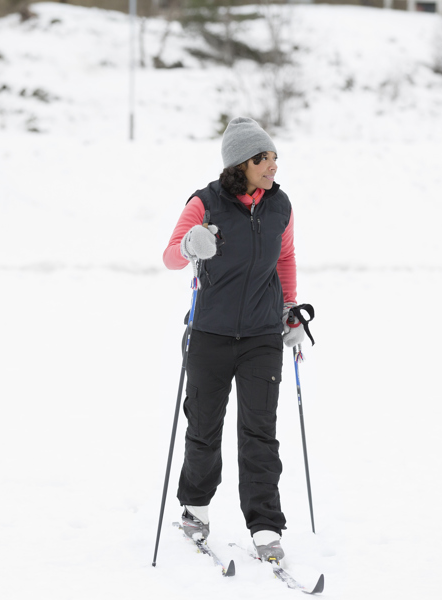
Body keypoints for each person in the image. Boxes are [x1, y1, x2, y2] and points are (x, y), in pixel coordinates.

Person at [162, 117, 306, 563]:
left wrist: (289, 308)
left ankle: (265, 527)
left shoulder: (280, 205)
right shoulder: (205, 203)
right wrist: (190, 245)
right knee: (204, 427)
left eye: (275, 157)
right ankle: (196, 509)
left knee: (260, 432)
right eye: (263, 158)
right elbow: (170, 257)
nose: (273, 165)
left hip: (262, 335)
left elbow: (285, 257)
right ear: (240, 163)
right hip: (210, 333)